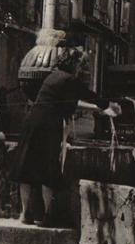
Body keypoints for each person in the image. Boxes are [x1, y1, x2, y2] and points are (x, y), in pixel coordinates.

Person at [10, 47, 121, 226]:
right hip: (48, 126)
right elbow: (88, 95)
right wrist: (109, 105)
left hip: (32, 123)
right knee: (47, 170)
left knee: (26, 168)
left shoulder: (54, 76)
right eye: (80, 63)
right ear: (73, 63)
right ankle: (47, 216)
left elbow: (74, 101)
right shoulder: (70, 79)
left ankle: (25, 214)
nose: (81, 67)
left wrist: (103, 109)